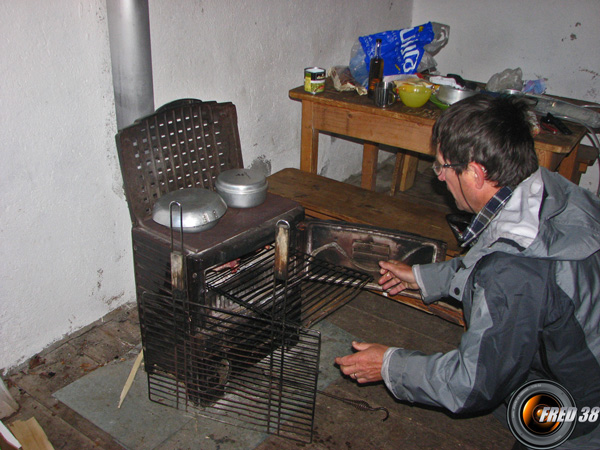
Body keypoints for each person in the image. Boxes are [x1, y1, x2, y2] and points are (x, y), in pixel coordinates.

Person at [335, 94, 600, 449]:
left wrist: (388, 365)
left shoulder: (514, 271)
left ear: (475, 172)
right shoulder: (547, 190)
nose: (440, 178)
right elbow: (498, 256)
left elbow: (469, 385)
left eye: (443, 167)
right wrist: (425, 277)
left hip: (584, 407)